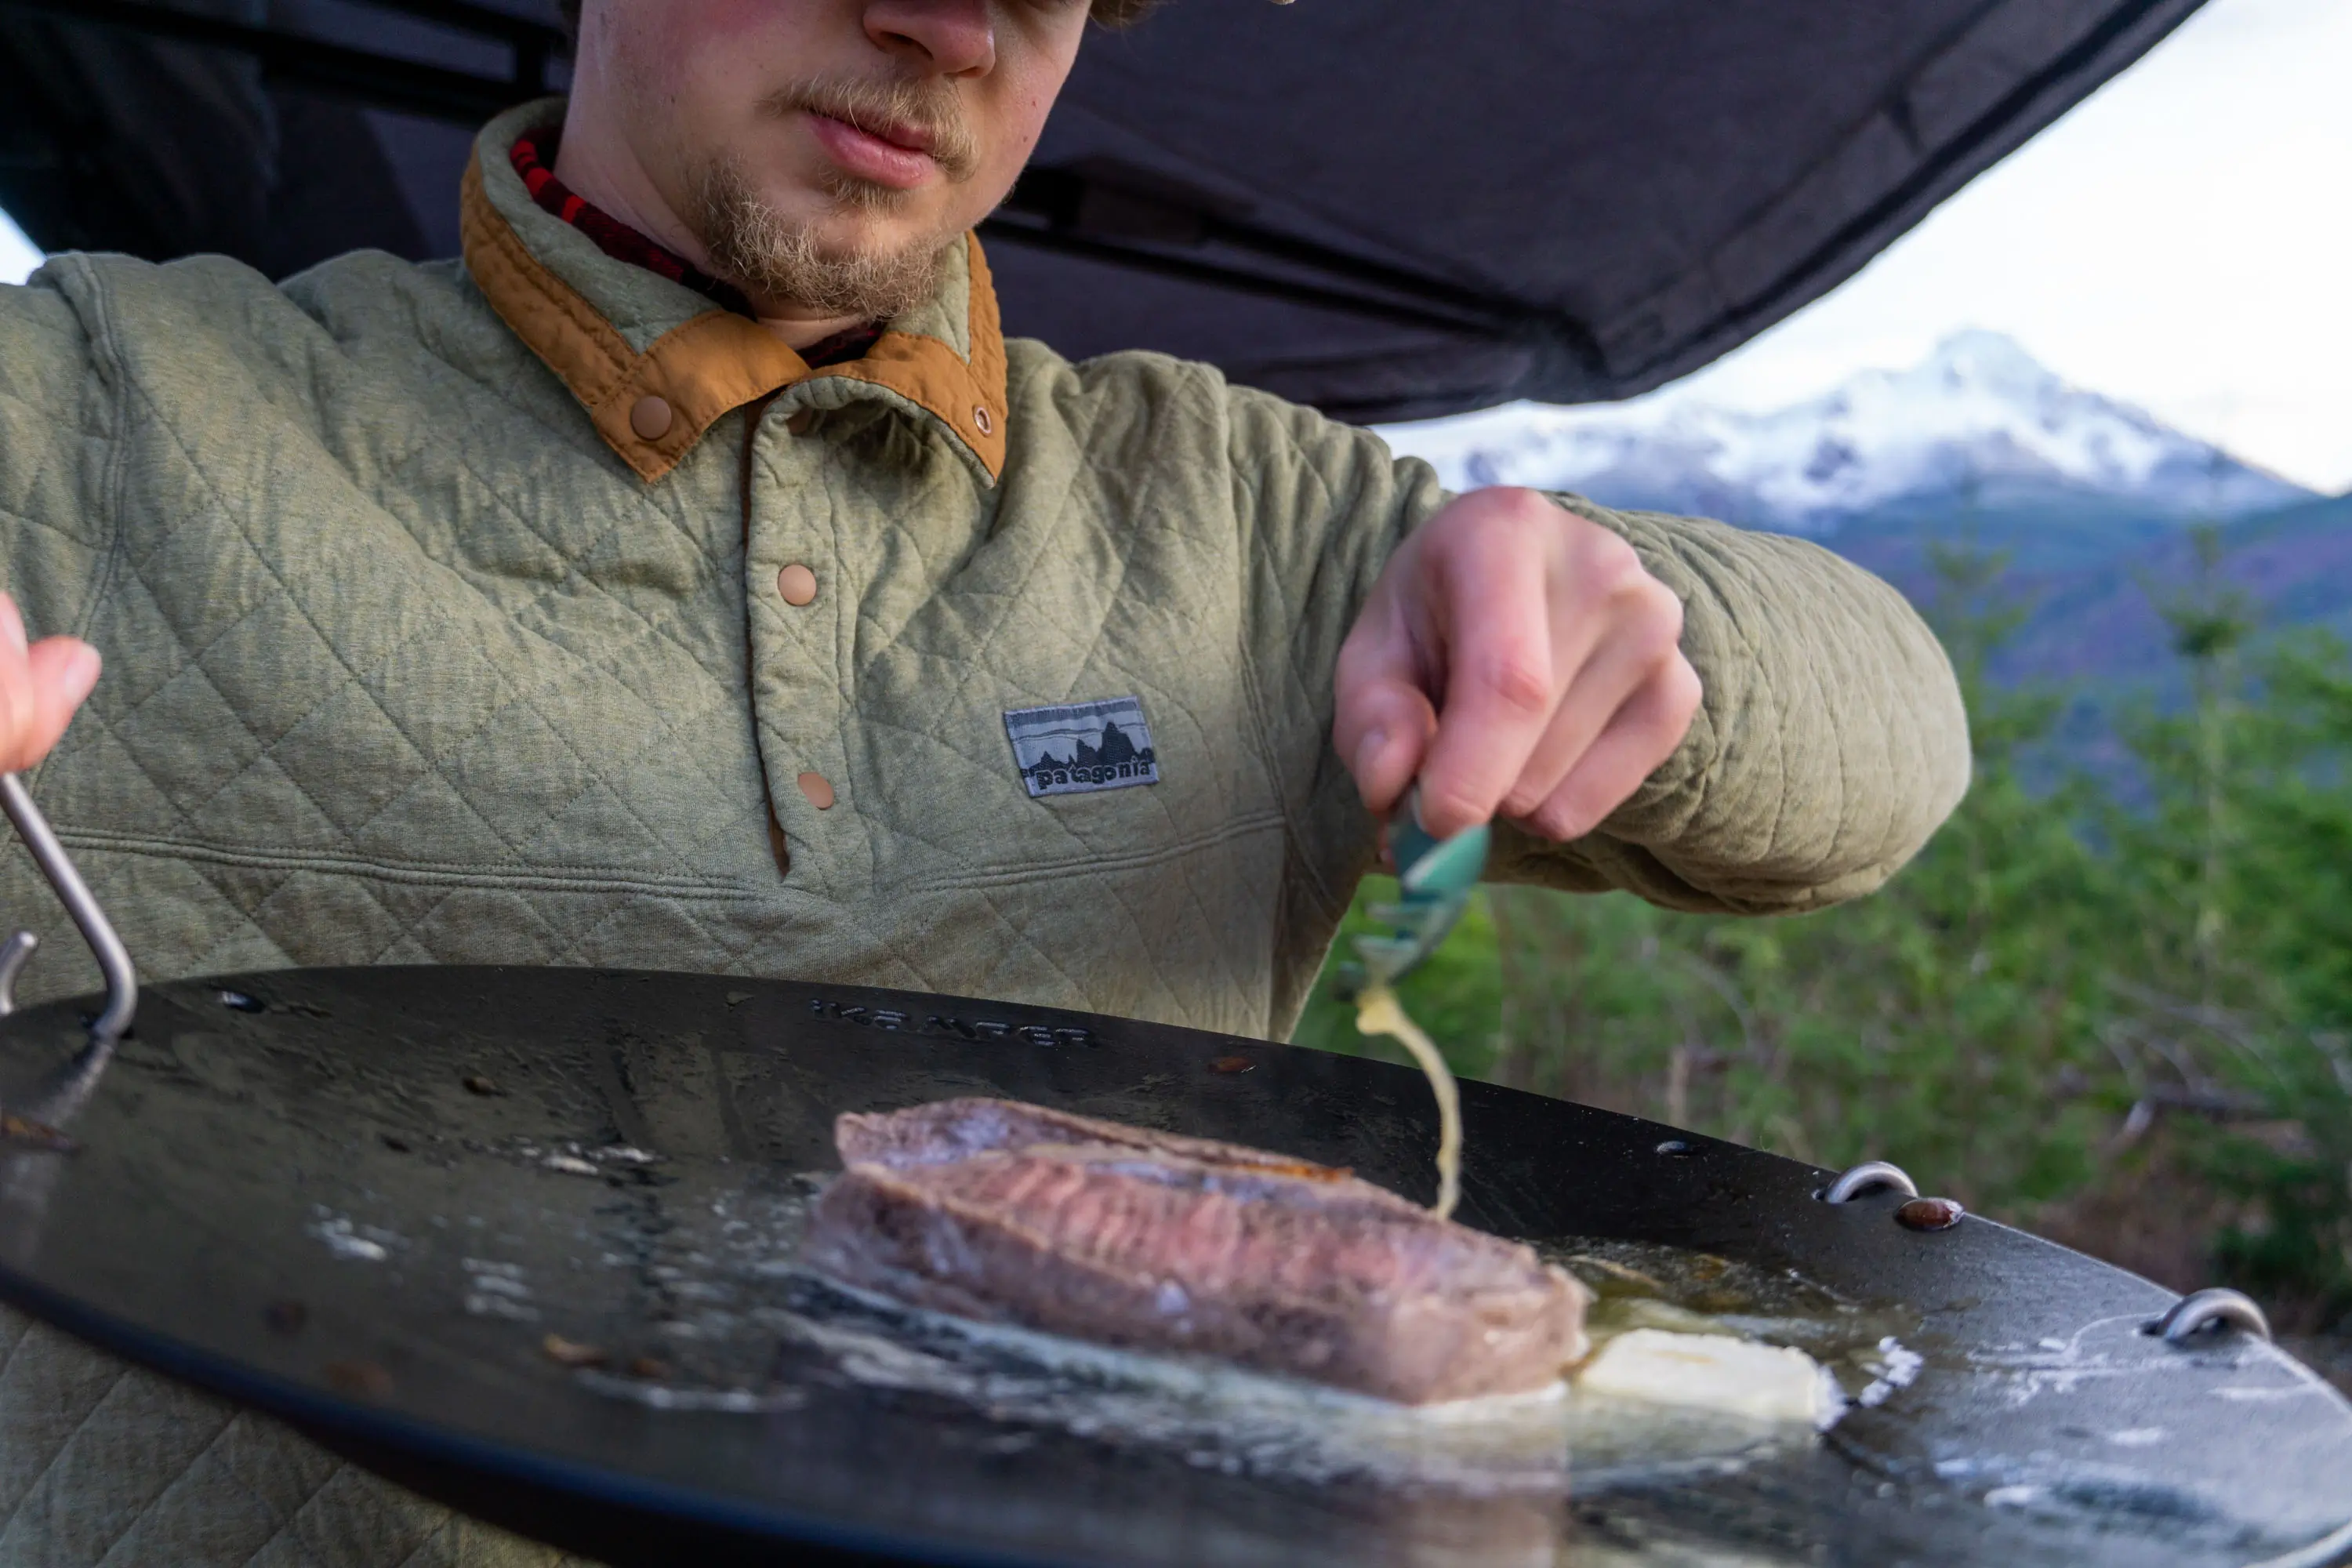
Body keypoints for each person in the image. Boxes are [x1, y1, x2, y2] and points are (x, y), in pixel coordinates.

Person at [0, 0, 1969, 1559]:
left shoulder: (1232, 508)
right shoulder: (95, 405)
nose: (952, 23)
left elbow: (1888, 755)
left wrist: (1646, 619)